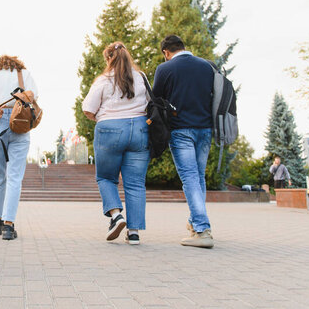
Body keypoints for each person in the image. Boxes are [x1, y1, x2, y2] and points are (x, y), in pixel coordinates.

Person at [82, 42, 150, 245]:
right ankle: (134, 232)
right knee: (136, 183)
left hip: (109, 129)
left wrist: (102, 119)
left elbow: (88, 109)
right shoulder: (141, 77)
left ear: (108, 59)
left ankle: (116, 215)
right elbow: (150, 102)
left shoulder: (103, 80)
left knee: (105, 178)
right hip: (139, 129)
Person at [152, 35, 215, 249]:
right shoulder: (206, 67)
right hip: (205, 129)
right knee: (198, 177)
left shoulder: (165, 69)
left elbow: (156, 99)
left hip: (181, 130)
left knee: (189, 178)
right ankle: (195, 221)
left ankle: (201, 229)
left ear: (166, 52)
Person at [0, 55, 38, 240]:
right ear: (16, 64)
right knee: (14, 177)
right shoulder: (24, 73)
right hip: (20, 121)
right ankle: (8, 226)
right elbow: (35, 95)